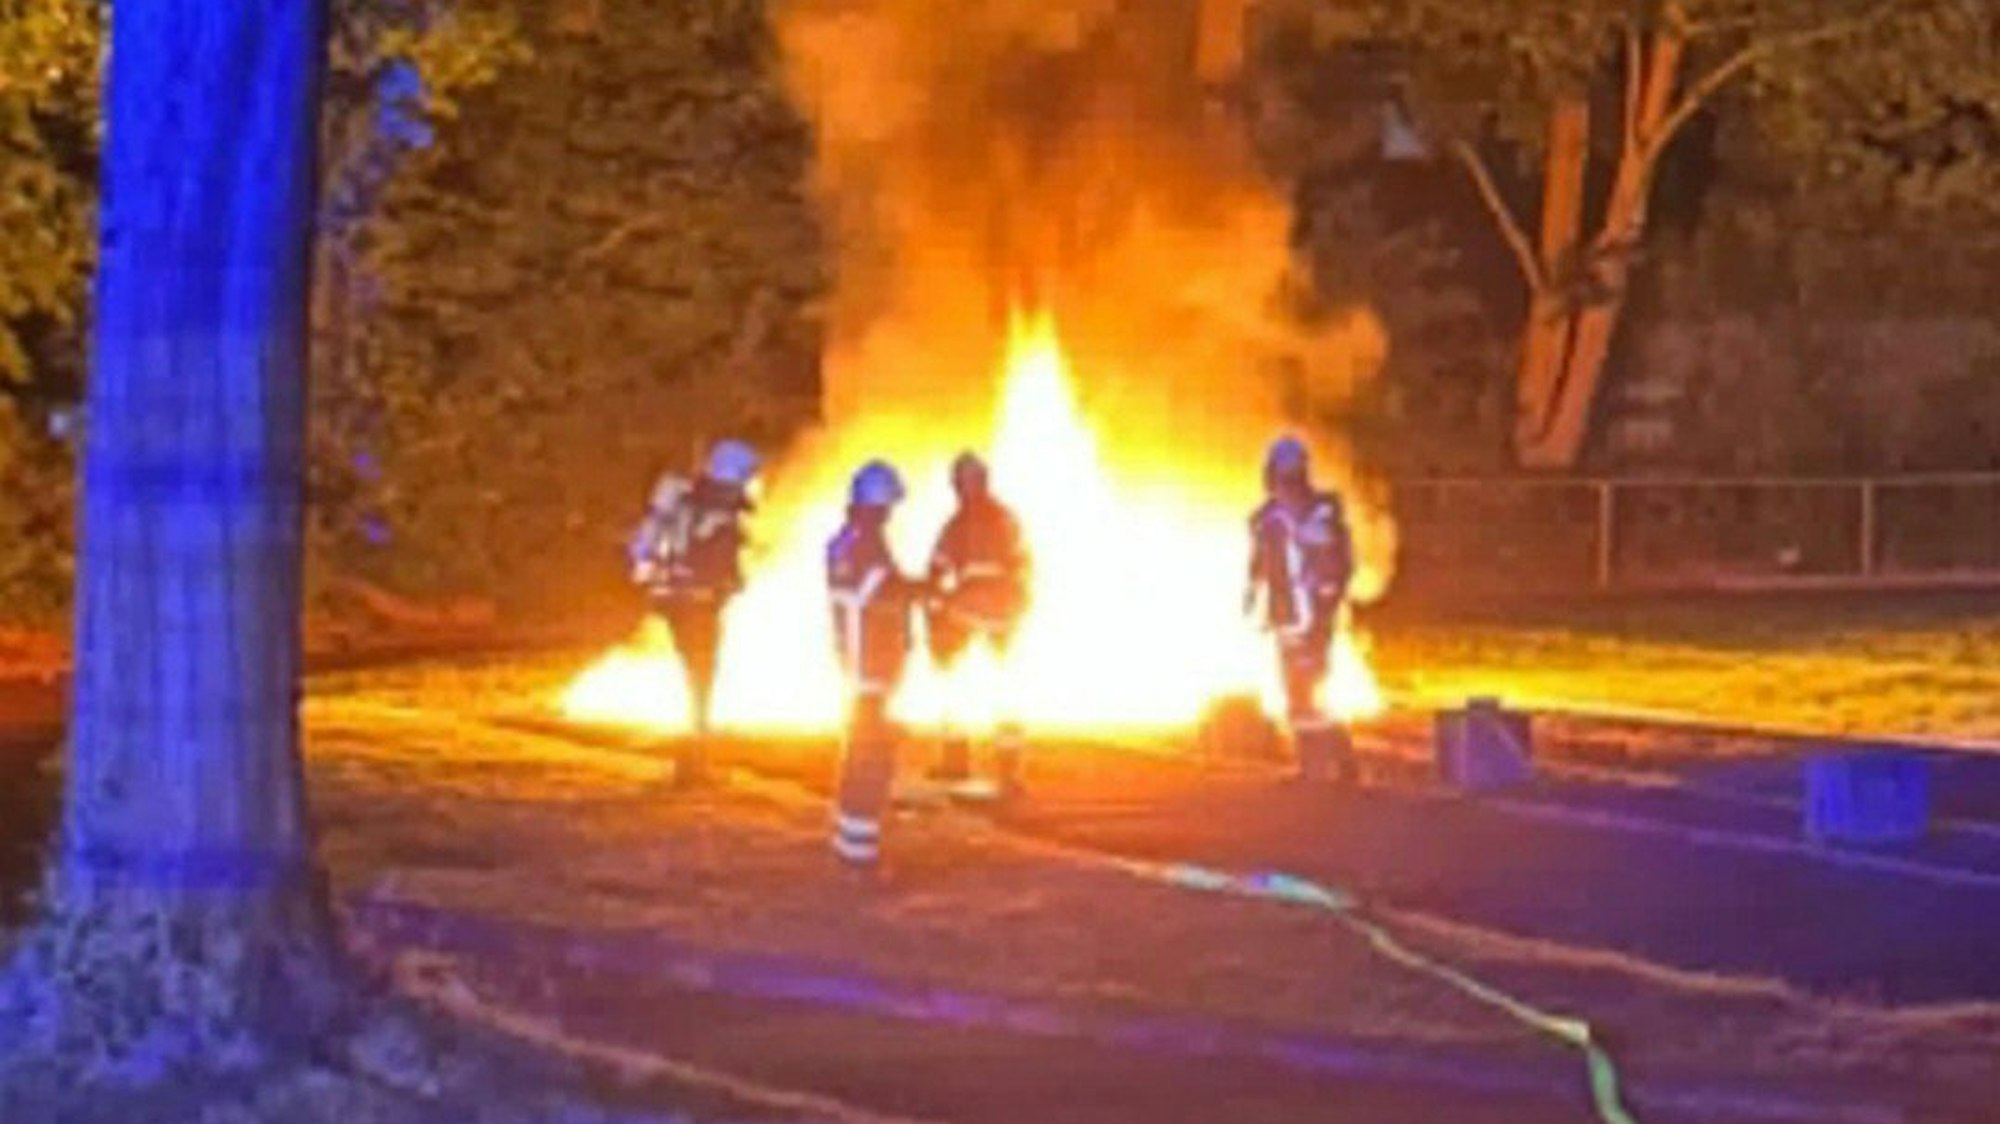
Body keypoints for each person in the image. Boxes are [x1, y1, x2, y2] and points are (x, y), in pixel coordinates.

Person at [628, 438, 760, 785]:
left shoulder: (686, 500)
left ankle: (693, 761)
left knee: (696, 678)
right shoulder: (718, 513)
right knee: (700, 682)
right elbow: (719, 565)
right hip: (698, 604)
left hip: (673, 599)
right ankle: (693, 766)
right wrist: (731, 583)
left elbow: (657, 546)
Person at [826, 460, 922, 870]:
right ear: (878, 504)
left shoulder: (849, 539)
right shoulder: (864, 542)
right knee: (870, 758)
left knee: (865, 752)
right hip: (870, 664)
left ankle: (855, 849)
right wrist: (923, 590)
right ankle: (858, 856)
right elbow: (879, 590)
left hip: (865, 663)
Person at [1246, 435, 1358, 783]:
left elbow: (1337, 564)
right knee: (1296, 693)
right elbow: (1261, 560)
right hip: (1286, 617)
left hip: (1312, 616)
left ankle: (1337, 757)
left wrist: (1326, 605)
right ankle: (1313, 763)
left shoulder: (1320, 513)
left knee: (1307, 690)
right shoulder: (1267, 516)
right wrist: (1253, 593)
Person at [925, 452, 1031, 798]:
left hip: (966, 611)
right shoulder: (1007, 519)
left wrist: (935, 612)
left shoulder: (956, 525)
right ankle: (1009, 768)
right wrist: (1018, 604)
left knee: (954, 684)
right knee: (1006, 689)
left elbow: (937, 572)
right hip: (1003, 614)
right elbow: (1024, 565)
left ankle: (956, 760)